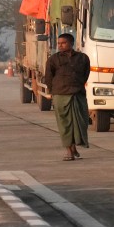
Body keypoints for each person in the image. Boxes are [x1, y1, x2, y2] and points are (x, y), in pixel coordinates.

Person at [44, 33, 91, 161]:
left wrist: (78, 85)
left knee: (81, 123)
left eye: (63, 43)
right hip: (61, 95)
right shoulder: (53, 59)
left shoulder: (82, 58)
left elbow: (86, 74)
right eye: (59, 43)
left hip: (78, 94)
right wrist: (51, 91)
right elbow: (48, 77)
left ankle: (74, 147)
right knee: (65, 125)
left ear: (71, 43)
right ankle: (69, 151)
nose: (60, 45)